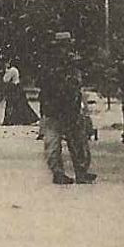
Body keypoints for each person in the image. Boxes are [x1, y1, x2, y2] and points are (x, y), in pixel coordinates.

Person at [39, 33, 95, 185]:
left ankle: (61, 173)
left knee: (56, 143)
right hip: (65, 107)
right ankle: (78, 172)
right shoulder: (68, 63)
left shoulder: (49, 63)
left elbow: (43, 87)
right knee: (75, 141)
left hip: (57, 108)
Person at [1, 59, 38, 126]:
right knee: (21, 104)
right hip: (17, 87)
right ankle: (26, 119)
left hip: (14, 88)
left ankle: (11, 120)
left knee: (12, 104)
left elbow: (5, 80)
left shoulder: (11, 70)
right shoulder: (14, 69)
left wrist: (5, 72)